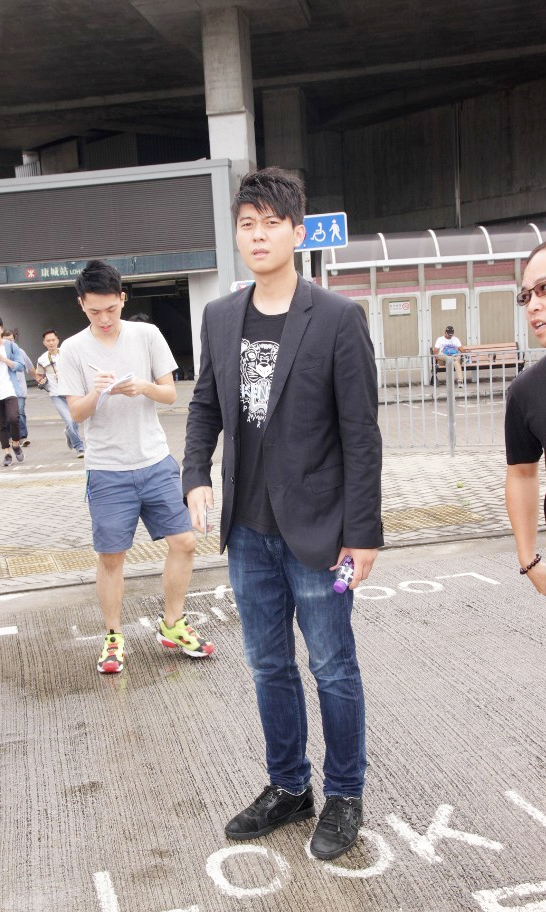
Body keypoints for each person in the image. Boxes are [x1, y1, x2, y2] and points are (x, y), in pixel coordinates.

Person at [182, 167, 383, 861]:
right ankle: (289, 786)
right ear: (237, 235)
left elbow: (361, 433)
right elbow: (205, 405)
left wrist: (363, 533)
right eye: (248, 223)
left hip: (322, 535)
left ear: (298, 232)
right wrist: (194, 476)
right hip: (247, 533)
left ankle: (345, 794)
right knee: (269, 665)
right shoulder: (220, 316)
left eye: (272, 223)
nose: (259, 234)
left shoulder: (337, 317)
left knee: (332, 665)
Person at [57, 259, 214, 674]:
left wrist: (143, 386)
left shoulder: (147, 335)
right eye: (95, 311)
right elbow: (76, 413)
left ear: (123, 299)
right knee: (112, 557)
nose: (104, 318)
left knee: (185, 541)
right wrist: (97, 393)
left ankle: (173, 623)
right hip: (107, 470)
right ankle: (113, 636)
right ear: (81, 305)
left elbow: (170, 394)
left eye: (111, 308)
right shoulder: (72, 349)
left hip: (156, 461)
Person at [505, 240, 546, 592]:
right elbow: (521, 473)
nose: (533, 305)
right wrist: (528, 559)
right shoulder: (525, 391)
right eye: (526, 296)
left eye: (543, 289)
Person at [36, 330, 85, 457]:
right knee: (69, 420)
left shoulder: (67, 353)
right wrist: (41, 381)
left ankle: (69, 433)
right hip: (56, 394)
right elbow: (39, 375)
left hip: (72, 392)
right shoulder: (42, 359)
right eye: (48, 341)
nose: (51, 343)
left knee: (75, 420)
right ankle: (79, 447)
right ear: (44, 343)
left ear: (58, 340)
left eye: (53, 340)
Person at [2, 329, 37, 445]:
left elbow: (29, 366)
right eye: (6, 340)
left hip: (19, 389)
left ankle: (22, 436)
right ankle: (10, 437)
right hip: (5, 389)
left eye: (11, 340)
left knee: (19, 412)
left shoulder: (19, 351)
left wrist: (37, 378)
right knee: (7, 415)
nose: (9, 343)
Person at [0, 321, 25, 466]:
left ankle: (16, 444)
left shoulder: (10, 346)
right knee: (1, 424)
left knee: (14, 418)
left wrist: (4, 360)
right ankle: (7, 454)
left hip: (10, 389)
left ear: (1, 328)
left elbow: (20, 366)